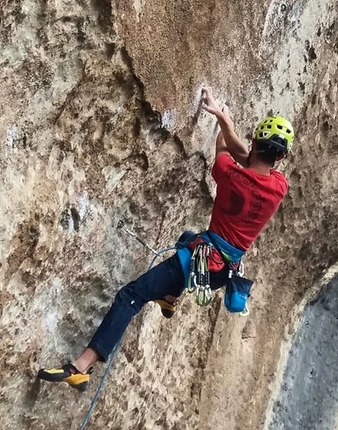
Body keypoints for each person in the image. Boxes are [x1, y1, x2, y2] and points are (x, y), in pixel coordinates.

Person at [37, 86, 294, 391]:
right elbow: (245, 158)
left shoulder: (227, 172)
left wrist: (222, 119)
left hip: (198, 265)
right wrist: (227, 123)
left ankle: (81, 367)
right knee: (188, 237)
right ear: (279, 157)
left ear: (255, 143)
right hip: (222, 272)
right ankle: (169, 296)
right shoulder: (278, 187)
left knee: (130, 296)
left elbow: (227, 151)